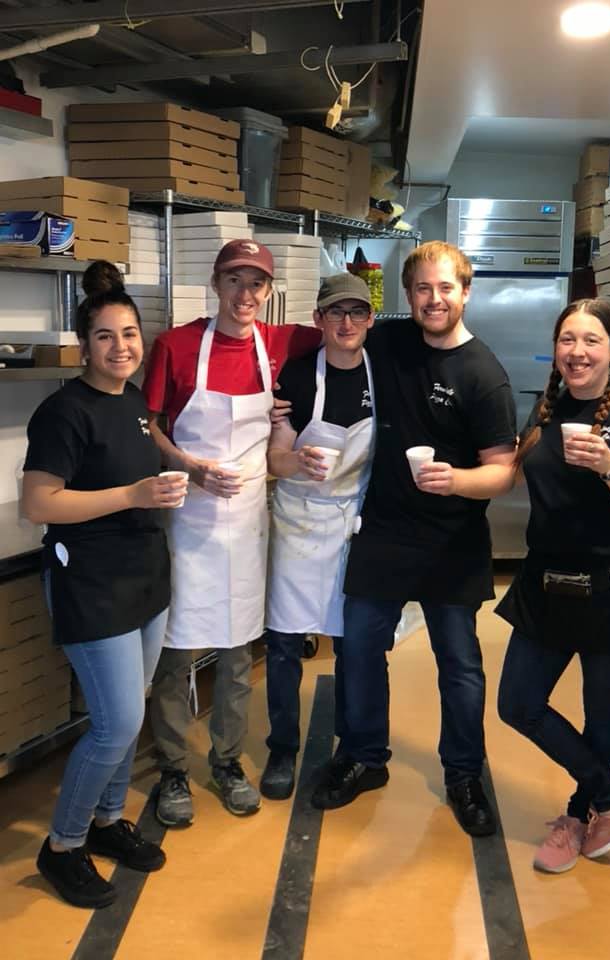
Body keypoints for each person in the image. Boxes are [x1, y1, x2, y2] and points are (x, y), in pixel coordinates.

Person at [310, 241, 517, 837]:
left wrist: (457, 481)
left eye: (446, 288)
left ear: (465, 292)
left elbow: (502, 472)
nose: (434, 299)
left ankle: (464, 775)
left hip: (453, 539)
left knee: (460, 665)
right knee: (357, 647)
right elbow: (329, 338)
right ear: (408, 295)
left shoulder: (484, 376)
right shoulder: (392, 340)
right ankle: (364, 757)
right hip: (385, 529)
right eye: (423, 288)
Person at [22, 262, 187, 910]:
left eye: (129, 334)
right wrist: (132, 495)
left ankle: (107, 820)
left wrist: (187, 473)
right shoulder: (63, 412)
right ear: (84, 345)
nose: (121, 347)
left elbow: (147, 456)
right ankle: (62, 846)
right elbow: (39, 503)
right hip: (91, 586)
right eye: (105, 336)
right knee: (116, 725)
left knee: (131, 713)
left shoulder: (135, 403)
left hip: (144, 578)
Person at [142, 239, 321, 827]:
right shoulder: (175, 346)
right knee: (176, 652)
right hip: (187, 519)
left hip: (246, 523)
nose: (246, 294)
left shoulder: (282, 343)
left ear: (268, 291)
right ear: (215, 283)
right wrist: (189, 466)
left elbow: (348, 334)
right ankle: (173, 767)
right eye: (234, 280)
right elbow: (149, 426)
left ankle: (226, 761)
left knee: (240, 651)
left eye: (256, 283)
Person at [495, 298, 610, 874]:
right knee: (518, 704)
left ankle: (580, 816)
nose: (577, 352)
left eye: (592, 340)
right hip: (546, 586)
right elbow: (514, 474)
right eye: (567, 339)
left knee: (601, 714)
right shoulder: (546, 408)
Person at [261, 273, 375, 800]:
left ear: (370, 320)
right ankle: (283, 746)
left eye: (357, 312)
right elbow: (275, 458)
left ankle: (350, 748)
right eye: (336, 313)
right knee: (284, 643)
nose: (346, 323)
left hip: (354, 523)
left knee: (354, 643)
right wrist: (296, 462)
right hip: (299, 519)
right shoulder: (299, 377)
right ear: (319, 320)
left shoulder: (382, 374)